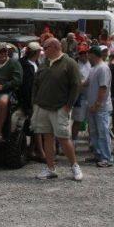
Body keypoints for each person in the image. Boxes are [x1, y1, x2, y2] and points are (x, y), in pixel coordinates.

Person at [31, 38, 83, 181]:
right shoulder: (43, 64)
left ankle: (74, 166)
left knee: (64, 138)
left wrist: (69, 105)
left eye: (45, 48)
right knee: (47, 137)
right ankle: (50, 168)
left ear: (54, 47)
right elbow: (36, 83)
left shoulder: (70, 63)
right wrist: (35, 101)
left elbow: (76, 85)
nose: (43, 51)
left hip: (60, 107)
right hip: (43, 106)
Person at [85, 46, 113, 167]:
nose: (87, 58)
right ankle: (98, 154)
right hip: (92, 105)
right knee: (94, 132)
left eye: (88, 55)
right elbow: (87, 82)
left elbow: (103, 87)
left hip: (100, 107)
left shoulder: (103, 68)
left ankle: (107, 158)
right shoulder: (93, 69)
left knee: (103, 132)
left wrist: (98, 103)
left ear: (93, 55)